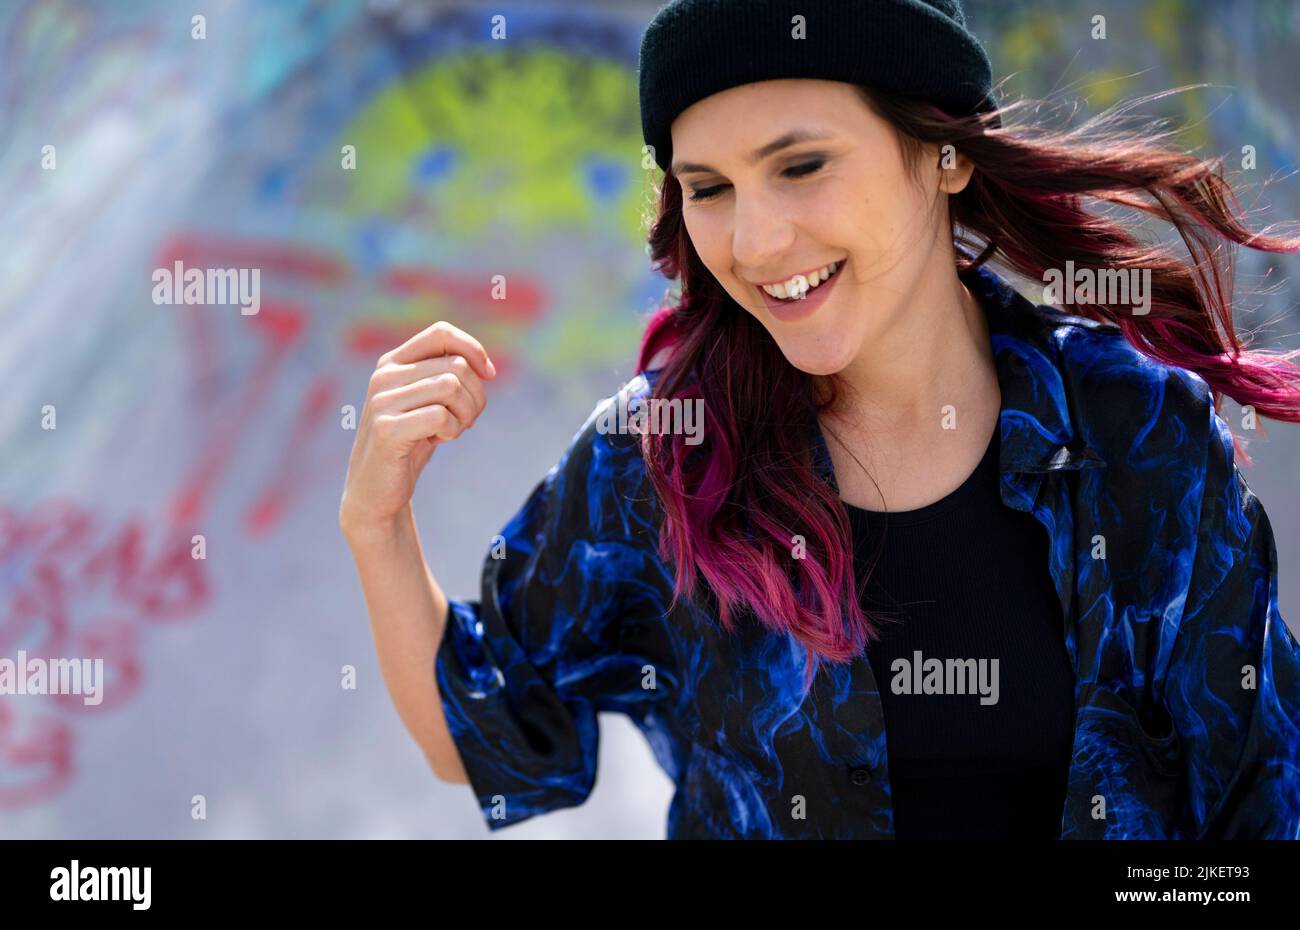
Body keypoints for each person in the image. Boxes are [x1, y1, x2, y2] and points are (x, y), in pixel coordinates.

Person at [339, 0, 1300, 839]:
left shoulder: (1135, 438)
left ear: (945, 155)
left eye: (800, 165)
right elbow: (497, 742)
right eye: (707, 188)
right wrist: (377, 527)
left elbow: (1263, 803)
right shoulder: (663, 462)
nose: (755, 241)